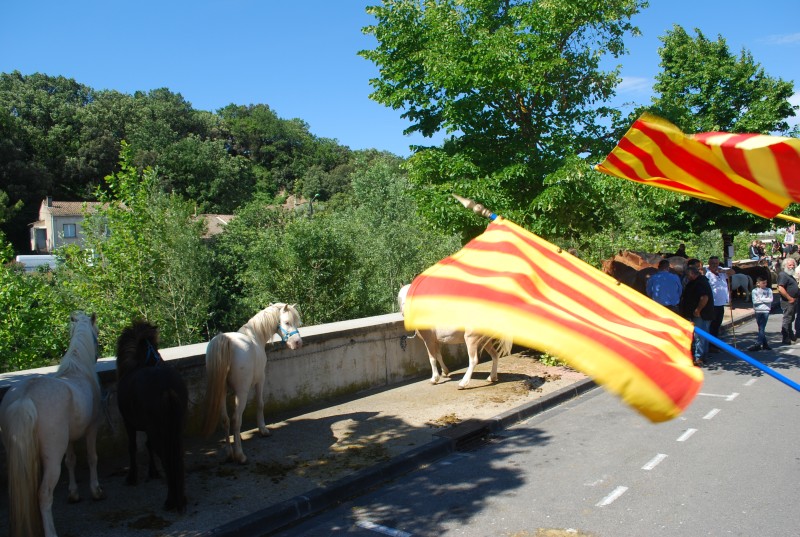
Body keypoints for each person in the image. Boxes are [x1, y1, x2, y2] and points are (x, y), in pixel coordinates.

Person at [680, 266, 715, 365]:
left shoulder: (699, 283)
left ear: (692, 273)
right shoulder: (699, 281)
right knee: (704, 335)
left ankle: (699, 357)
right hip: (704, 313)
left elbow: (704, 297)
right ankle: (703, 356)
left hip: (701, 314)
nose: (687, 277)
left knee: (700, 335)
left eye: (688, 275)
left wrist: (698, 310)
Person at [705, 256, 729, 353]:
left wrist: (722, 271)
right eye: (713, 263)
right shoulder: (707, 274)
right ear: (709, 264)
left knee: (717, 325)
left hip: (721, 303)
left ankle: (714, 344)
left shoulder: (721, 272)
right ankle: (710, 345)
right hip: (712, 304)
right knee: (712, 325)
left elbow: (732, 272)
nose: (715, 265)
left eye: (716, 263)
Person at [776, 257, 799, 344]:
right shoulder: (783, 275)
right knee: (787, 319)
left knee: (790, 319)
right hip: (788, 301)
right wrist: (789, 298)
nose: (792, 267)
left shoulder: (789, 275)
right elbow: (780, 288)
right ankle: (785, 337)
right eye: (789, 265)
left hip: (793, 301)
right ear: (785, 266)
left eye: (793, 265)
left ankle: (791, 336)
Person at [749, 276, 773, 351]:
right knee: (761, 328)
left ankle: (758, 344)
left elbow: (770, 299)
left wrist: (761, 299)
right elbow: (755, 301)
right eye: (763, 283)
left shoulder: (769, 290)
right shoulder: (755, 291)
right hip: (758, 311)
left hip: (766, 311)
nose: (765, 284)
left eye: (766, 283)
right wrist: (765, 300)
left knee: (762, 328)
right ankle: (765, 344)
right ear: (758, 283)